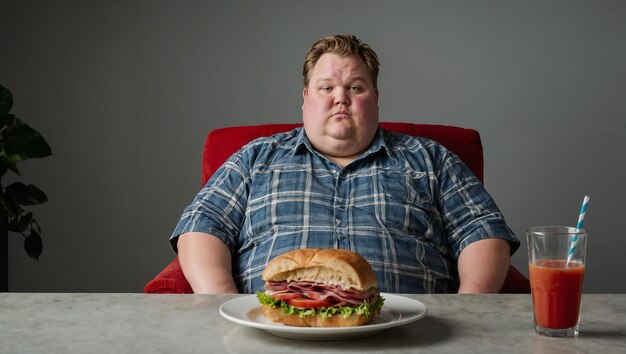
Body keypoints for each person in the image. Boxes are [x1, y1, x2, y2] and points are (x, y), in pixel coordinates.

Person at [171, 34, 519, 294]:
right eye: (326, 88)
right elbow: (202, 227)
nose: (341, 97)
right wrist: (223, 304)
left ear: (376, 99)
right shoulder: (254, 157)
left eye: (355, 87)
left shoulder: (431, 158)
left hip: (413, 334)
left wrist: (471, 310)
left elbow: (483, 231)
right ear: (305, 99)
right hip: (274, 332)